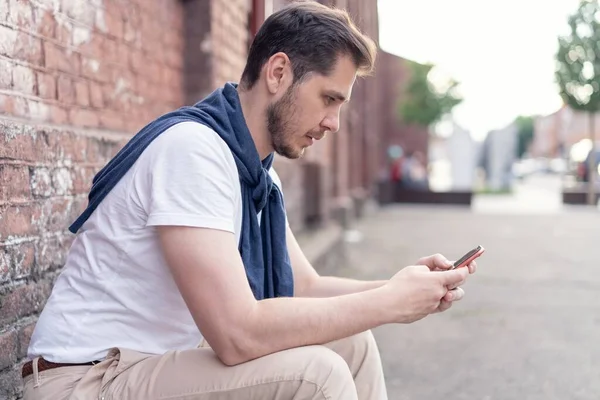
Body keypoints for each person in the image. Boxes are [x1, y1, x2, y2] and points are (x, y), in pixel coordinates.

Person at [22, 2, 477, 399]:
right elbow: (236, 334)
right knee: (317, 376)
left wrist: (398, 286)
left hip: (152, 362)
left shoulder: (255, 173)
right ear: (278, 73)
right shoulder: (193, 151)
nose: (334, 122)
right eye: (329, 98)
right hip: (87, 379)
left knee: (352, 344)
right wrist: (388, 305)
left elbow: (305, 288)